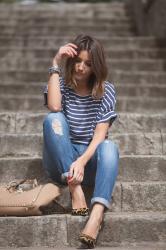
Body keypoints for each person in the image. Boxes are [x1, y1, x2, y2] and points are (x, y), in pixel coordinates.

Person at [43, 34, 119, 249]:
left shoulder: (107, 90)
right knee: (53, 119)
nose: (81, 68)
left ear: (97, 65)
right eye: (77, 61)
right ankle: (75, 188)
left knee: (109, 146)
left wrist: (82, 161)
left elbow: (100, 135)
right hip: (60, 159)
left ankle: (96, 215)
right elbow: (55, 107)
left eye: (88, 63)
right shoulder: (61, 84)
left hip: (87, 161)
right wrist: (55, 62)